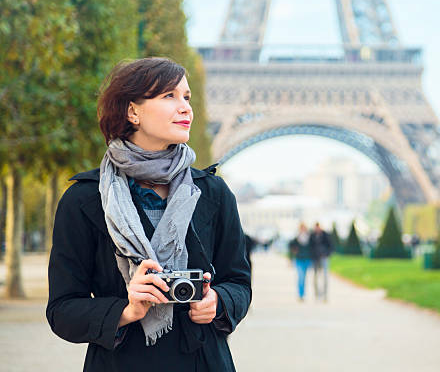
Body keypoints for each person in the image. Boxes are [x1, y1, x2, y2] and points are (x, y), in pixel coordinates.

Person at [46, 58, 251, 371]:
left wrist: (218, 302)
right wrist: (125, 310)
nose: (185, 108)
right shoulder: (85, 199)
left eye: (187, 97)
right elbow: (62, 310)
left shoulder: (213, 193)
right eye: (169, 96)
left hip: (202, 361)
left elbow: (238, 282)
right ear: (132, 111)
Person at [310, 222, 333, 302]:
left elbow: (331, 246)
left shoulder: (325, 235)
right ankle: (317, 294)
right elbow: (310, 247)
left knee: (325, 277)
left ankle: (325, 295)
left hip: (324, 258)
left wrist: (326, 254)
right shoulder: (312, 235)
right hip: (315, 259)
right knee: (315, 277)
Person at [288, 223, 311, 301]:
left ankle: (303, 293)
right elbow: (290, 246)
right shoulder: (296, 238)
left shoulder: (309, 238)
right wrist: (292, 255)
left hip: (307, 260)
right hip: (299, 260)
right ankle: (301, 294)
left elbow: (313, 248)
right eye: (301, 228)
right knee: (300, 277)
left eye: (304, 228)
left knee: (304, 278)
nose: (303, 229)